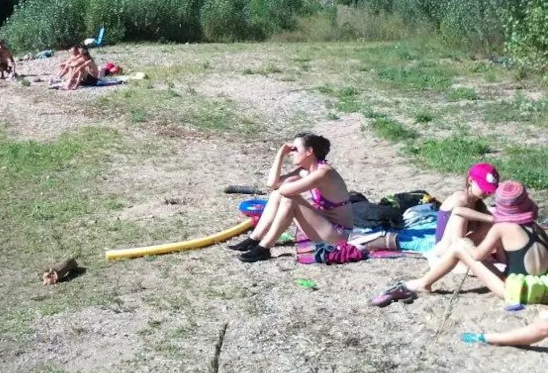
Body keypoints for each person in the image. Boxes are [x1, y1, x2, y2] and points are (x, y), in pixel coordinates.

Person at [373, 181, 548, 305]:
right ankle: (424, 282)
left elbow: (477, 256)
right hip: (541, 285)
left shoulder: (501, 228)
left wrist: (467, 243)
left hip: (514, 290)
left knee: (458, 247)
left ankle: (423, 283)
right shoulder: (536, 227)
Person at [226, 133, 353, 263]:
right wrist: (280, 155)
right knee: (277, 194)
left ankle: (264, 247)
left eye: (295, 149)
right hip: (322, 225)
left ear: (309, 151)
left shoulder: (323, 172)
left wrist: (299, 176)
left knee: (290, 199)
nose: (291, 153)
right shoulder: (307, 170)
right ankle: (254, 238)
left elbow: (285, 190)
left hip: (338, 234)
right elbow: (273, 184)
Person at [431, 162, 498, 255]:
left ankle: (469, 252)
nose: (487, 193)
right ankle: (461, 254)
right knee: (462, 215)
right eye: (484, 188)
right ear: (471, 181)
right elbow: (458, 212)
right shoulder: (461, 198)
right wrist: (491, 218)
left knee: (491, 217)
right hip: (445, 247)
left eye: (490, 191)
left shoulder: (478, 202)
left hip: (461, 242)